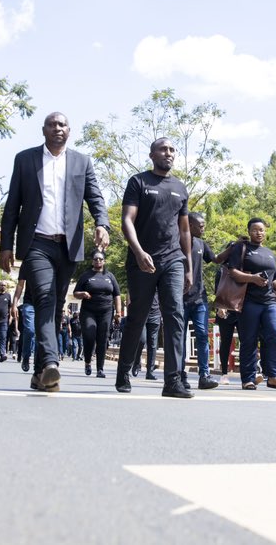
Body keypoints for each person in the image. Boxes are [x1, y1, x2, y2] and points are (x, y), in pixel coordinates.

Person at [0, 112, 110, 393]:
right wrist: (6, 246)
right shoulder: (25, 159)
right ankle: (51, 362)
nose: (57, 128)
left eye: (62, 125)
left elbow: (95, 196)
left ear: (69, 131)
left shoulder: (81, 162)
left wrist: (102, 223)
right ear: (43, 130)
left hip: (68, 246)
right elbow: (12, 204)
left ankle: (40, 375)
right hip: (37, 243)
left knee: (55, 305)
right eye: (52, 124)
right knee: (47, 299)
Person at [114, 137, 194, 398]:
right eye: (163, 149)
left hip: (173, 259)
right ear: (152, 155)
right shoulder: (138, 182)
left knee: (175, 314)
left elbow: (184, 230)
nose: (168, 153)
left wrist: (189, 266)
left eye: (172, 150)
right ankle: (124, 370)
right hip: (142, 261)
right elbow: (127, 219)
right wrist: (138, 252)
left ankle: (172, 380)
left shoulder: (180, 188)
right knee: (137, 317)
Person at [226, 218, 276, 391]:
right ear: (249, 231)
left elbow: (273, 279)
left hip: (269, 301)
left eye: (261, 230)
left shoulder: (270, 253)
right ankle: (248, 378)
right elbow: (232, 272)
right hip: (248, 301)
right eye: (254, 230)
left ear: (265, 232)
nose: (258, 233)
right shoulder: (241, 248)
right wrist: (253, 278)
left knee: (275, 334)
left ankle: (274, 376)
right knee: (249, 340)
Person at [182, 212, 220, 389]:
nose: (203, 228)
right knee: (179, 338)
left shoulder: (201, 243)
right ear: (189, 224)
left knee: (203, 336)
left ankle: (204, 375)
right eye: (201, 225)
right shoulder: (177, 241)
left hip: (199, 299)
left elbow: (216, 260)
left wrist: (234, 247)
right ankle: (180, 375)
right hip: (180, 300)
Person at [73, 250, 123, 377]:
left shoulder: (110, 276)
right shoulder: (86, 276)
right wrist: (82, 294)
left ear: (104, 261)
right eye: (95, 259)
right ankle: (88, 362)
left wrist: (118, 312)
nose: (98, 261)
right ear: (92, 261)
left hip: (106, 311)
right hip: (89, 311)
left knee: (103, 339)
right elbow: (75, 293)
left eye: (100, 259)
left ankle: (100, 369)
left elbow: (117, 295)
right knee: (89, 335)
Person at [11, 266, 35, 373]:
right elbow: (20, 285)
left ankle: (39, 361)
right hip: (29, 303)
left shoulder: (50, 258)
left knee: (41, 334)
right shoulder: (27, 262)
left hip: (44, 303)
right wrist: (14, 304)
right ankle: (26, 356)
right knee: (30, 330)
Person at [132, 297, 162, 380]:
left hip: (155, 314)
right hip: (141, 313)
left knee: (152, 344)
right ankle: (137, 362)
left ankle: (150, 372)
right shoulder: (140, 283)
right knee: (142, 340)